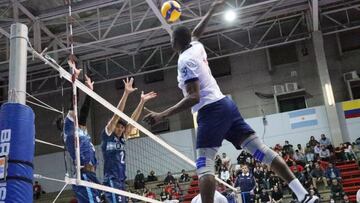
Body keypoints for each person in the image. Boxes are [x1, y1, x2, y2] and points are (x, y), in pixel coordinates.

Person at [143, 0, 319, 202]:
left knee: (204, 164)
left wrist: (162, 114)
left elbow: (194, 96)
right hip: (227, 106)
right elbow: (197, 33)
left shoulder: (185, 61)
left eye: (171, 39)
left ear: (176, 43)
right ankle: (303, 194)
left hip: (210, 112)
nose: (169, 42)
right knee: (260, 151)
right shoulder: (196, 47)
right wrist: (211, 9)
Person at [101, 78, 157, 203]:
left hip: (121, 181)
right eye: (119, 126)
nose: (121, 129)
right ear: (113, 125)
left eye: (122, 127)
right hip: (111, 180)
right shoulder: (108, 134)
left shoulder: (122, 139)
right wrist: (126, 93)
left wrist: (142, 102)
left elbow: (133, 120)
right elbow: (117, 114)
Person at [64, 60, 103, 203]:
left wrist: (90, 92)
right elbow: (73, 103)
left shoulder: (80, 130)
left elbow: (84, 111)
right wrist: (73, 80)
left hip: (91, 175)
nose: (75, 116)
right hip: (84, 175)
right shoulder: (69, 130)